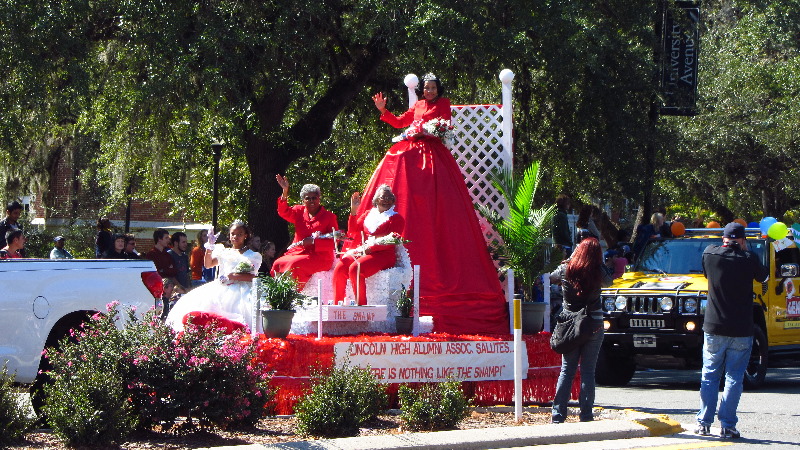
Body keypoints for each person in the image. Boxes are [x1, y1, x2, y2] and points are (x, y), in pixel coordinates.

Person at [359, 73, 507, 334]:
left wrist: (423, 130)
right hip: (412, 149)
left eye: (431, 87)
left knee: (434, 192)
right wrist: (384, 111)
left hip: (431, 153)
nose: (428, 91)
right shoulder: (416, 106)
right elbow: (399, 123)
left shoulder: (443, 103)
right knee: (398, 157)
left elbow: (442, 125)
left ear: (438, 89)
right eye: (425, 88)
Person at [695, 222, 768, 438]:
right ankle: (727, 424)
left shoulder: (710, 254)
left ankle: (703, 422)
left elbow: (708, 274)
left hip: (714, 326)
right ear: (743, 240)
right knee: (734, 377)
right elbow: (763, 277)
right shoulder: (749, 259)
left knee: (709, 375)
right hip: (741, 328)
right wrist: (744, 250)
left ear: (723, 238)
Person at [549, 237, 612, 423]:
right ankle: (586, 415)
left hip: (569, 324)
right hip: (593, 323)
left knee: (567, 369)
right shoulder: (598, 271)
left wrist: (571, 259)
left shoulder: (566, 269)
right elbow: (610, 282)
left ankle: (558, 414)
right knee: (588, 371)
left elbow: (551, 277)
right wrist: (600, 263)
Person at [166, 220, 262, 332]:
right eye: (233, 234)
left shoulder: (252, 255)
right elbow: (208, 264)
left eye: (239, 234)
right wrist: (210, 247)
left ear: (245, 236)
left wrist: (231, 276)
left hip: (242, 289)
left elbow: (251, 276)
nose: (235, 236)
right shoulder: (224, 251)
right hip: (221, 287)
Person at [333, 185, 405, 305]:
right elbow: (353, 231)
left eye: (389, 198)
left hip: (383, 255)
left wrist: (368, 249)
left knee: (356, 268)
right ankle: (337, 304)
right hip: (365, 252)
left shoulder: (397, 218)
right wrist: (354, 211)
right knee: (340, 267)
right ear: (377, 200)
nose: (387, 200)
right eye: (383, 197)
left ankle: (361, 307)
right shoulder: (368, 214)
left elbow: (391, 240)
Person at [271, 176, 339, 289]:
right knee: (278, 263)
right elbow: (283, 212)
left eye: (314, 198)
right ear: (303, 200)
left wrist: (314, 242)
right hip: (298, 252)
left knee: (295, 264)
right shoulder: (299, 211)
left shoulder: (329, 217)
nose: (312, 201)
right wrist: (285, 191)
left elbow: (335, 241)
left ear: (319, 198)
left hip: (320, 256)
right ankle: (279, 294)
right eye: (308, 198)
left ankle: (292, 293)